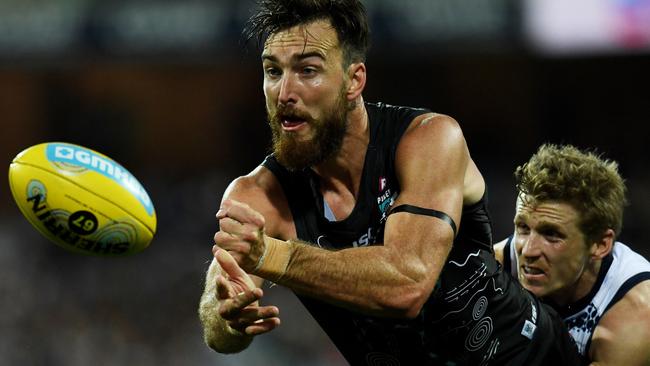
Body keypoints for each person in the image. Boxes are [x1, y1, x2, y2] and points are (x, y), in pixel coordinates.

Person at [199, 0, 582, 364]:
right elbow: (216, 326)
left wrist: (273, 256)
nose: (284, 93)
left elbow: (408, 284)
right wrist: (230, 318)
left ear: (354, 80)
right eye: (273, 71)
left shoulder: (428, 139)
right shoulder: (258, 195)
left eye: (308, 70)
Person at [494, 144, 650, 365]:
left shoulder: (635, 316)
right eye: (523, 228)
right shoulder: (496, 266)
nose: (528, 251)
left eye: (551, 235)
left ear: (600, 244)